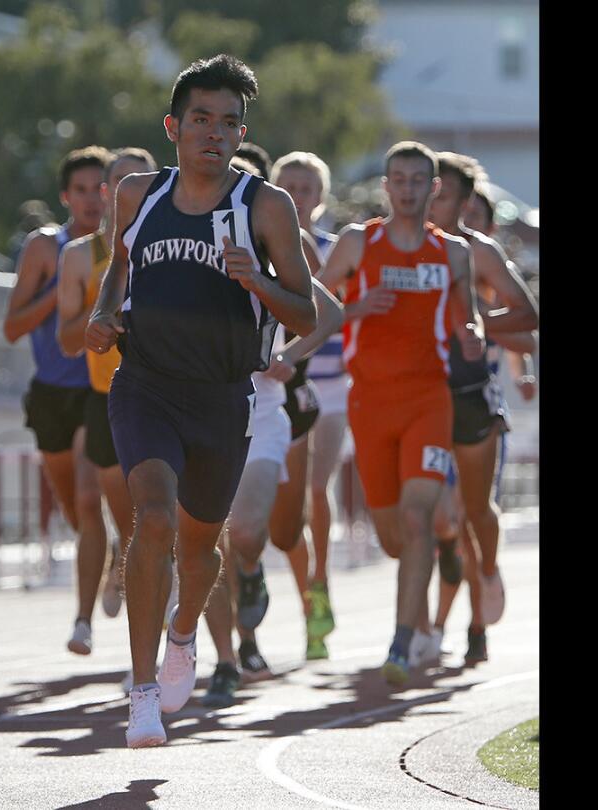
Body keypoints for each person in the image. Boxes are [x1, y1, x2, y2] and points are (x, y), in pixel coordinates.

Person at [85, 54, 318, 747]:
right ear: (173, 127)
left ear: (241, 132)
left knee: (200, 549)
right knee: (150, 520)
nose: (215, 133)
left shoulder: (264, 206)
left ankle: (184, 630)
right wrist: (105, 314)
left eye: (229, 123)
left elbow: (306, 316)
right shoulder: (135, 194)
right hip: (146, 385)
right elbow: (117, 271)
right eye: (201, 120)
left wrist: (259, 284)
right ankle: (143, 694)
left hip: (222, 397)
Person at [315, 141, 484, 686]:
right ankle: (437, 553)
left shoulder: (453, 253)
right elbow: (311, 299)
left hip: (428, 401)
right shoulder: (358, 242)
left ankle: (402, 643)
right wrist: (354, 308)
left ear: (434, 189)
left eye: (419, 181)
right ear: (386, 187)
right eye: (400, 180)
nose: (409, 189)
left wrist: (474, 336)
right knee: (392, 534)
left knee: (416, 521)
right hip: (370, 402)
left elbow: (469, 320)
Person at [198, 156, 344, 709]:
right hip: (199, 408)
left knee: (249, 533)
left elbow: (328, 314)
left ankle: (263, 581)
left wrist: (286, 351)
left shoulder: (280, 235)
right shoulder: (172, 230)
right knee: (203, 541)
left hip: (263, 411)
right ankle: (231, 656)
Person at [416, 152, 539, 668]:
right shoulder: (396, 243)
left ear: (465, 201)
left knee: (473, 513)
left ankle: (483, 582)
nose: (433, 201)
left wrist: (479, 320)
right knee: (440, 519)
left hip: (474, 397)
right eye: (430, 190)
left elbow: (527, 318)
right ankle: (432, 624)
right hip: (419, 398)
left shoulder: (477, 251)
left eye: (444, 194)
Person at [2, 146, 112, 656]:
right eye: (82, 190)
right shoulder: (49, 249)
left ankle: (82, 620)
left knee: (91, 500)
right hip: (51, 392)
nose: (93, 199)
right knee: (73, 507)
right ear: (66, 197)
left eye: (101, 188)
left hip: (98, 388)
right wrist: (62, 288)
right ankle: (109, 561)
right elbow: (12, 327)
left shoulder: (118, 246)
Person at [55, 147, 161, 644]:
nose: (130, 189)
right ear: (107, 190)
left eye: (142, 179)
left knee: (155, 520)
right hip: (107, 396)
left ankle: (159, 641)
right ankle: (91, 609)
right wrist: (105, 303)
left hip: (161, 393)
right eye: (121, 180)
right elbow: (65, 340)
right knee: (120, 514)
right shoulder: (80, 257)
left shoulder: (165, 245)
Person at [268, 150, 348, 660]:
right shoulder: (264, 242)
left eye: (306, 189)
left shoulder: (337, 249)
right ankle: (308, 590)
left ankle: (320, 577)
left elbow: (338, 309)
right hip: (284, 382)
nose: (297, 197)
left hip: (332, 382)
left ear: (320, 198)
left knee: (319, 486)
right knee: (288, 507)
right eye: (288, 187)